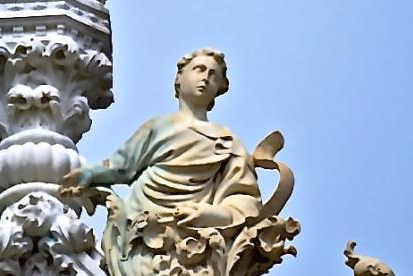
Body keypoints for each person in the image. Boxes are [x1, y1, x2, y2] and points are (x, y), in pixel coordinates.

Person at [61, 49, 266, 275]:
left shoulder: (228, 142)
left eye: (214, 75)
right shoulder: (158, 127)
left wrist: (210, 214)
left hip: (193, 245)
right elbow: (122, 167)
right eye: (199, 69)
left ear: (220, 87)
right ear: (179, 78)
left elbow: (246, 201)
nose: (206, 78)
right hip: (142, 233)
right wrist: (88, 174)